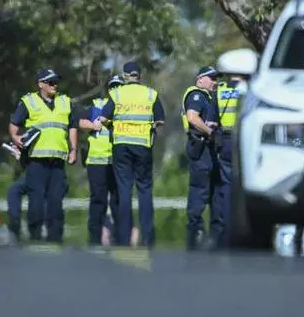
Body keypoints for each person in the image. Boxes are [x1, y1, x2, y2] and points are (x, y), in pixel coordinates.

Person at [98, 62, 165, 247]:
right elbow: (160, 121)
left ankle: (123, 237)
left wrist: (113, 126)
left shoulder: (117, 94)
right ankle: (147, 237)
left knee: (124, 191)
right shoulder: (151, 94)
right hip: (143, 146)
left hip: (121, 147)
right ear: (139, 75)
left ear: (125, 76)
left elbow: (103, 119)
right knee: (144, 191)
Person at [9, 69, 78, 243]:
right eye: (51, 82)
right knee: (37, 203)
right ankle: (35, 236)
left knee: (56, 203)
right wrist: (15, 138)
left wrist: (74, 149)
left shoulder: (65, 102)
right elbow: (14, 125)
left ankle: (56, 238)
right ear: (41, 84)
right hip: (36, 162)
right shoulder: (28, 102)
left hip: (57, 163)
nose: (55, 85)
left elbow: (72, 127)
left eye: (56, 82)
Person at [214, 48, 257, 248]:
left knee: (225, 187)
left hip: (223, 140)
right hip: (242, 140)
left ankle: (223, 233)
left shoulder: (220, 90)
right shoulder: (252, 89)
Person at [78, 75, 123, 246]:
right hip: (97, 162)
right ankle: (94, 239)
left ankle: (120, 238)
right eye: (113, 87)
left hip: (118, 162)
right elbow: (80, 122)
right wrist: (93, 125)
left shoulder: (126, 108)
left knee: (118, 200)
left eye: (119, 86)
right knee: (98, 200)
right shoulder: (98, 105)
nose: (115, 90)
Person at [181, 66, 220, 250]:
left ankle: (207, 233)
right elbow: (192, 117)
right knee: (199, 192)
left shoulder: (209, 97)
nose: (215, 81)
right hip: (200, 146)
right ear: (200, 80)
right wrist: (209, 131)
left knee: (209, 192)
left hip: (207, 149)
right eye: (211, 78)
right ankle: (195, 233)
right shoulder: (197, 95)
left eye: (216, 78)